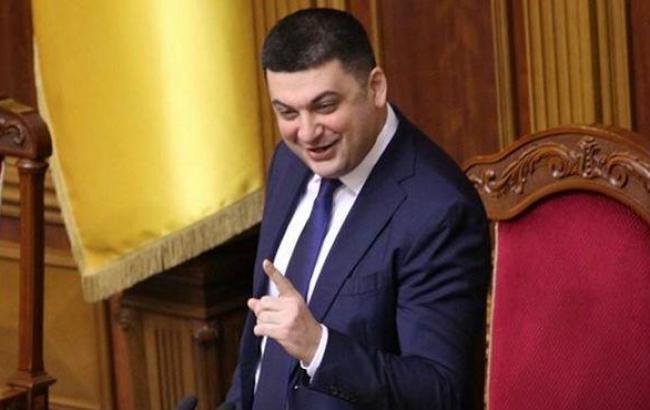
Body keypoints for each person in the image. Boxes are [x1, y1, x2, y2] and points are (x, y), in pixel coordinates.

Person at [222, 8, 490, 410]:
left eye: (325, 106)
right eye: (287, 112)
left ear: (375, 88)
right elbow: (262, 342)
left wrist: (318, 347)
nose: (307, 133)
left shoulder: (438, 210)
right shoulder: (289, 162)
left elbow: (440, 392)